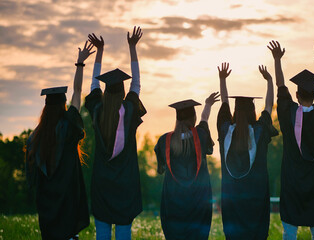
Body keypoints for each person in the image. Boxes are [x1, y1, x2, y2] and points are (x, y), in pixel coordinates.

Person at [26, 41, 94, 240]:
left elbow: (32, 177)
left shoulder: (34, 138)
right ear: (63, 105)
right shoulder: (69, 126)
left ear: (45, 108)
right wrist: (80, 64)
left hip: (46, 204)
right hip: (67, 199)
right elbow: (77, 92)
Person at [269, 41, 314, 240]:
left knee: (289, 232)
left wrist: (277, 59)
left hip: (292, 183)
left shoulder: (288, 113)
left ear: (296, 95)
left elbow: (280, 86)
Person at [85, 26, 147, 240]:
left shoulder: (97, 111)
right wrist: (132, 48)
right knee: (123, 232)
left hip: (102, 184)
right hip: (125, 184)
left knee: (102, 233)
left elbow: (93, 85)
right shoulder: (129, 110)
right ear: (122, 92)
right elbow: (137, 84)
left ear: (104, 91)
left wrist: (99, 52)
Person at [217, 62, 278, 240]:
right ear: (253, 111)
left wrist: (222, 80)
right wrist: (269, 81)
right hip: (256, 200)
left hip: (232, 200)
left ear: (235, 111)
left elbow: (224, 105)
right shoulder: (259, 131)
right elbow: (268, 107)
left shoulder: (226, 131)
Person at [154, 92, 219, 240]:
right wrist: (208, 104)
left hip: (173, 204)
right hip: (198, 203)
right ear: (193, 118)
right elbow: (204, 120)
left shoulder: (165, 140)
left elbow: (161, 168)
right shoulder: (200, 136)